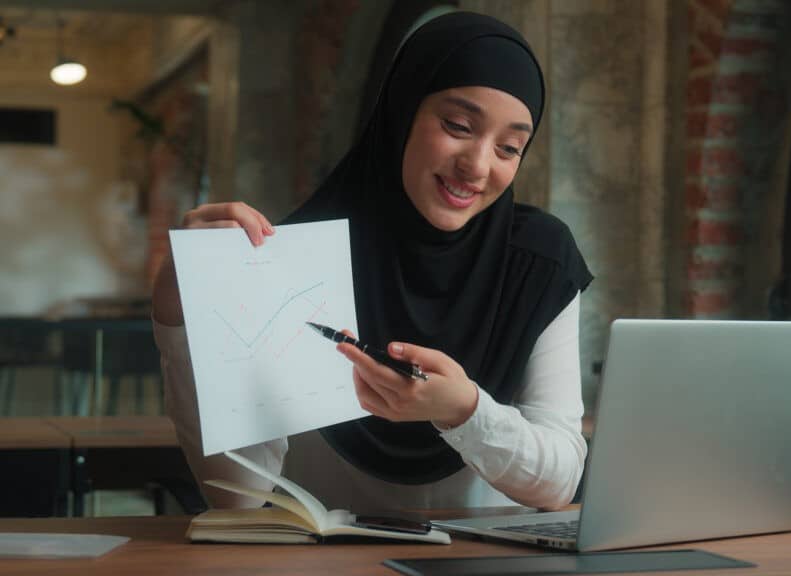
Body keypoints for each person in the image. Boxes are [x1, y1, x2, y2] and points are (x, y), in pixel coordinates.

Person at [152, 11, 593, 513]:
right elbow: (238, 493)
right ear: (402, 112)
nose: (478, 165)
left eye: (510, 147)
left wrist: (464, 411)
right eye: (457, 125)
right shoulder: (292, 256)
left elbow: (559, 482)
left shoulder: (537, 261)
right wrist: (181, 314)